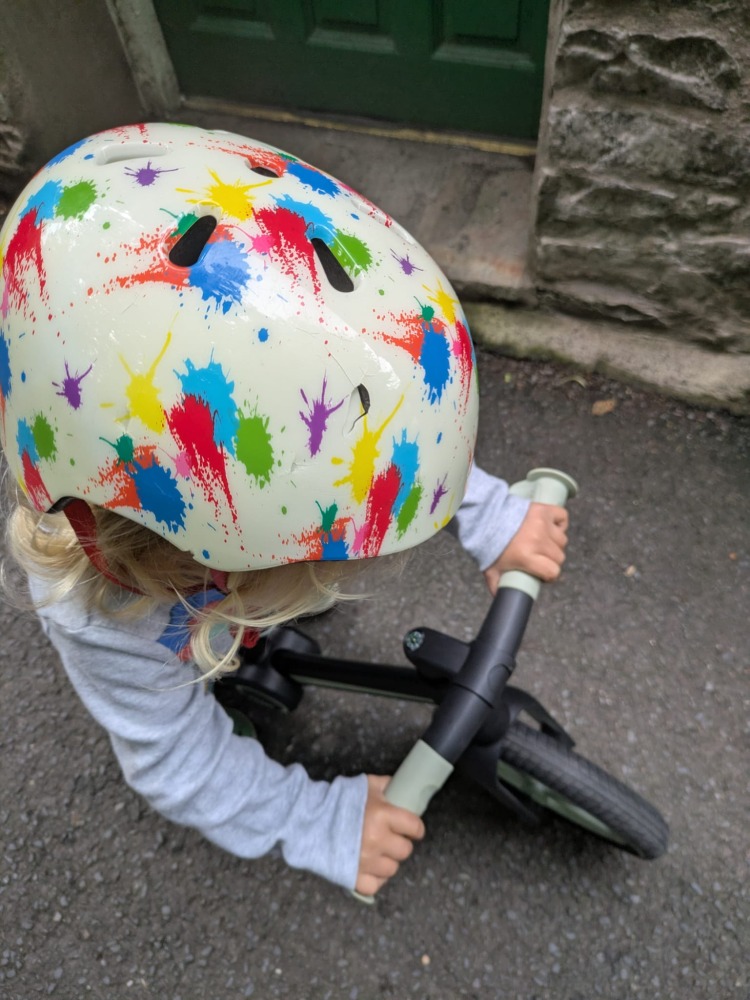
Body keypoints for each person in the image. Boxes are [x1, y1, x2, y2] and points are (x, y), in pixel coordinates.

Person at [0, 123, 567, 897]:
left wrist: (491, 513)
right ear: (154, 554)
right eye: (303, 561)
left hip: (200, 575)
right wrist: (315, 820)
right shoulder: (101, 616)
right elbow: (176, 762)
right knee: (195, 685)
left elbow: (371, 439)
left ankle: (249, 612)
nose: (335, 568)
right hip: (163, 614)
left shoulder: (191, 521)